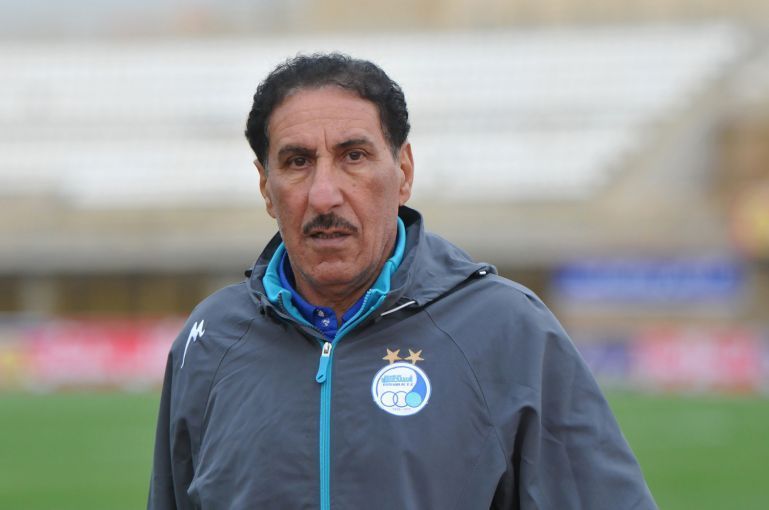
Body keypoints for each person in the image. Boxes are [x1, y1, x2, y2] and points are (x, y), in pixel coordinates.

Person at [148, 53, 656, 509]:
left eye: (353, 156)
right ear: (266, 187)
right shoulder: (210, 341)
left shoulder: (508, 330)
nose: (324, 195)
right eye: (298, 162)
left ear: (404, 172)